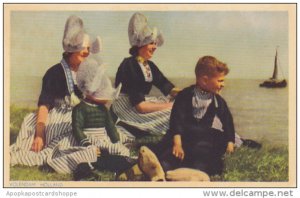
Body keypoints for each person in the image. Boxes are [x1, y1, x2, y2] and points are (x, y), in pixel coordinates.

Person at [10, 15, 103, 174]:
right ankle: (65, 156)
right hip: (58, 116)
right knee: (68, 130)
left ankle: (86, 151)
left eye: (88, 49)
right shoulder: (54, 73)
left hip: (79, 114)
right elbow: (44, 104)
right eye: (84, 48)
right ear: (72, 48)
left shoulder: (85, 71)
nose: (87, 52)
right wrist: (39, 134)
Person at [159, 56, 236, 176]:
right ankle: (165, 168)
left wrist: (230, 141)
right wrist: (177, 143)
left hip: (203, 141)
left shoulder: (218, 101)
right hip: (183, 138)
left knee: (204, 162)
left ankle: (192, 172)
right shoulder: (184, 95)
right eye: (220, 81)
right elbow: (176, 120)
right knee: (169, 158)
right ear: (205, 80)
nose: (223, 85)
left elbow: (228, 121)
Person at [111, 12, 180, 137]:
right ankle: (127, 126)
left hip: (141, 103)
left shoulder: (149, 66)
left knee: (178, 108)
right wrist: (169, 105)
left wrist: (190, 93)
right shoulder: (129, 65)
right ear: (140, 44)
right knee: (173, 112)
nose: (155, 47)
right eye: (151, 43)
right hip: (127, 107)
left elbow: (167, 86)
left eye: (155, 43)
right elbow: (140, 107)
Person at [72, 58, 135, 180]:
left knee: (117, 149)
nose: (106, 99)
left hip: (103, 138)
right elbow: (77, 128)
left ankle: (121, 162)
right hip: (88, 138)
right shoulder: (80, 109)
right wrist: (86, 143)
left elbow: (110, 126)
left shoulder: (103, 109)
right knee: (91, 153)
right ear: (90, 92)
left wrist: (116, 140)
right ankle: (91, 165)